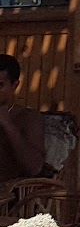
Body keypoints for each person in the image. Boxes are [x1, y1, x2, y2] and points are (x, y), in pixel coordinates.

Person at [0, 54, 45, 187]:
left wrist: (8, 125)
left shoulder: (28, 118)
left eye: (0, 85)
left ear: (14, 85)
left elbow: (35, 167)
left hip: (9, 197)